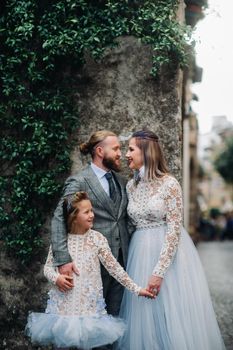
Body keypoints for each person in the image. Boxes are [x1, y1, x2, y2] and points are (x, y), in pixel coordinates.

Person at [116, 130, 226, 350]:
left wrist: (159, 271)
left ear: (146, 151)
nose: (126, 154)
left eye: (131, 149)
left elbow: (174, 229)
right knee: (143, 315)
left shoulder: (170, 184)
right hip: (139, 254)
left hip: (167, 255)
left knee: (171, 313)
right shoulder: (131, 186)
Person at [26, 192, 153, 349]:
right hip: (64, 310)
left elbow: (115, 269)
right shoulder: (60, 241)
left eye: (92, 210)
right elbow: (47, 268)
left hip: (89, 309)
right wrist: (56, 278)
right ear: (73, 216)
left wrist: (137, 289)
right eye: (86, 212)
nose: (92, 215)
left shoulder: (97, 239)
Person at [51, 130, 132, 317]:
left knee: (114, 318)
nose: (121, 153)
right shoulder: (79, 181)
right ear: (100, 151)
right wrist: (63, 259)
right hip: (91, 265)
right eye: (116, 149)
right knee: (92, 319)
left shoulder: (121, 181)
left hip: (121, 262)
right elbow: (59, 217)